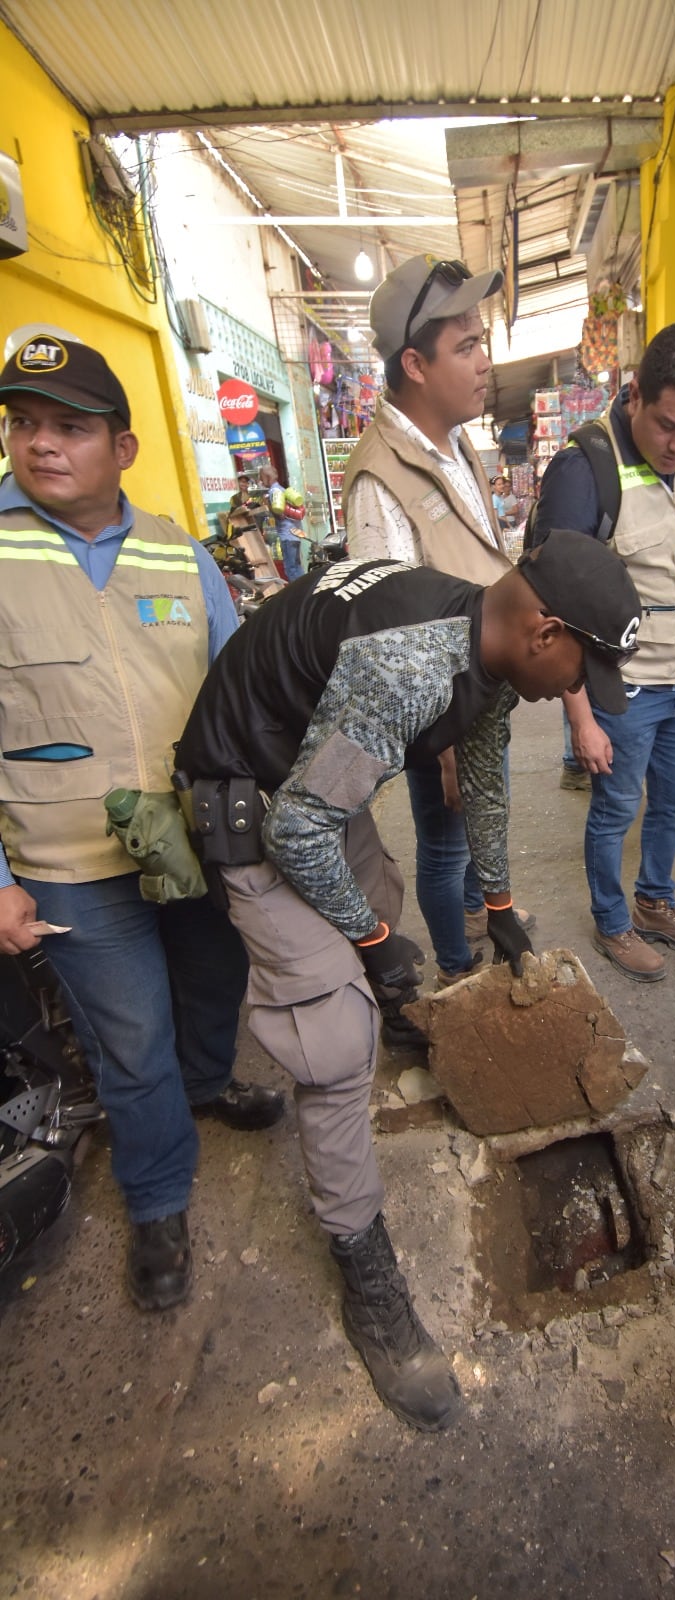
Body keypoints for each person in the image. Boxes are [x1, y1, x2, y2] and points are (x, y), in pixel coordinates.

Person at [174, 529, 643, 1430]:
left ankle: (389, 1005)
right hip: (253, 794)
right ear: (545, 631)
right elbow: (298, 836)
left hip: (312, 770)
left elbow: (484, 766)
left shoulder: (484, 630)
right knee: (331, 1029)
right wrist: (375, 940)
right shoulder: (409, 667)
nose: (577, 694)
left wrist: (500, 903)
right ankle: (366, 1273)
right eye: (582, 672)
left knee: (378, 890)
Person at [0, 335, 284, 1314]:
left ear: (122, 447)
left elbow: (242, 683)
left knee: (216, 983)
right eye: (24, 423)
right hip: (68, 863)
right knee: (132, 1040)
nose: (41, 445)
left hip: (194, 839)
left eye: (69, 427)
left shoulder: (177, 548)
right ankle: (159, 1200)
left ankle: (208, 1083)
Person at [343, 254, 533, 986]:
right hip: (441, 711)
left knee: (475, 832)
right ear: (415, 364)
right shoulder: (379, 478)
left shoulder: (459, 448)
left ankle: (483, 923)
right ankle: (458, 972)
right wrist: (445, 745)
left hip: (481, 694)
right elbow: (390, 641)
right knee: (445, 841)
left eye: (481, 341)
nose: (485, 362)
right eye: (467, 347)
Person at [534, 319, 675, 982]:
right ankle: (613, 922)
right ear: (634, 397)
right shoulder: (584, 472)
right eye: (668, 426)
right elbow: (552, 612)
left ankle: (655, 900)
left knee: (674, 801)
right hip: (624, 691)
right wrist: (582, 720)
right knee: (616, 808)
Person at [276, 486, 307, 582]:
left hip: (287, 536)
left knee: (291, 569)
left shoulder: (279, 499)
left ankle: (297, 593)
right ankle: (305, 587)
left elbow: (280, 515)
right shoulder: (294, 502)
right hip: (296, 536)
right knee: (297, 566)